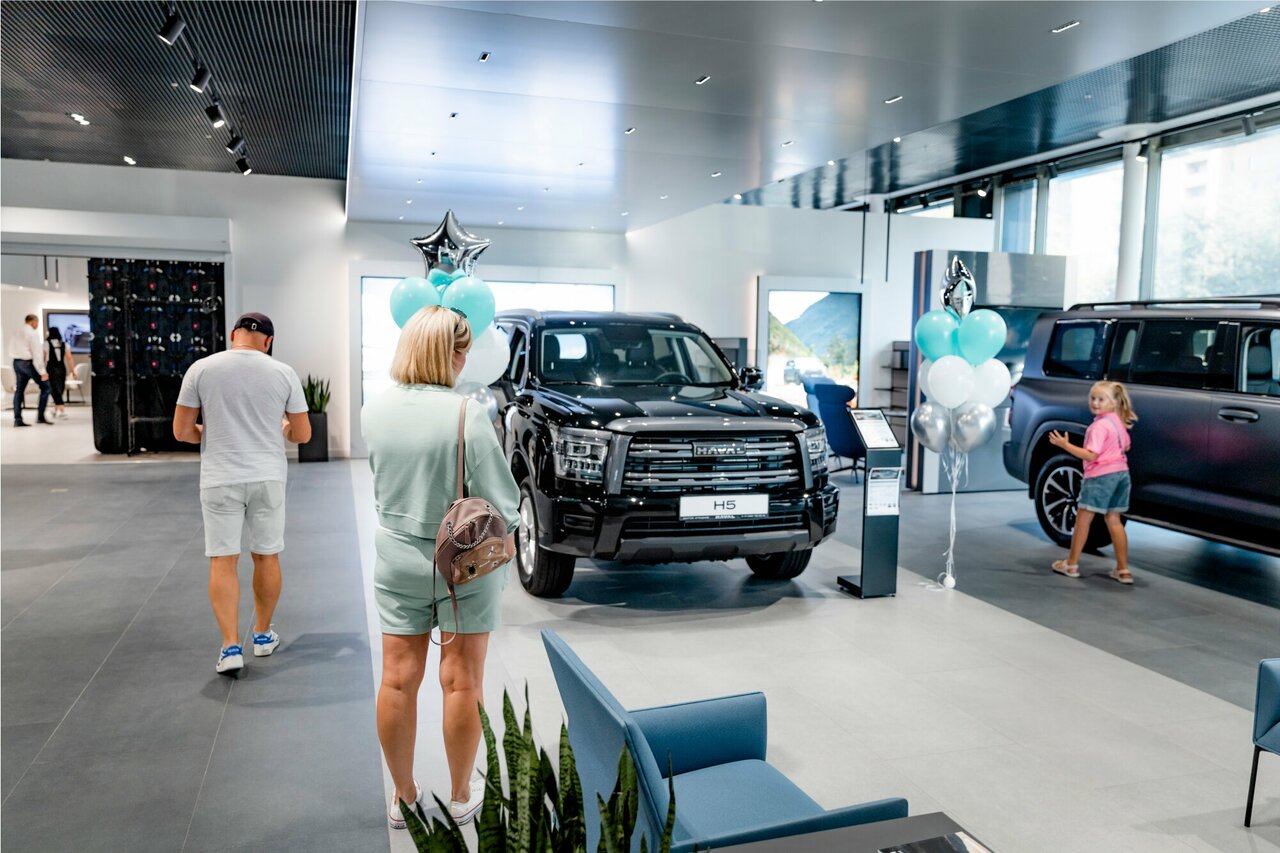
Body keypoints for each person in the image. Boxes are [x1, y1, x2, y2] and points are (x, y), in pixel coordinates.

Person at [361, 305, 518, 829]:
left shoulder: (373, 410)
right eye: (461, 351)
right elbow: (500, 500)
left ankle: (403, 797)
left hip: (396, 559)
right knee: (462, 683)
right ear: (447, 354)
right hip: (461, 565)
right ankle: (459, 794)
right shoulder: (466, 413)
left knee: (397, 681)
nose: (464, 360)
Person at [173, 312, 312, 674]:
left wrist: (211, 432)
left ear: (234, 334)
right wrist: (283, 427)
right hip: (267, 478)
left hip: (220, 477)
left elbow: (182, 431)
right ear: (268, 341)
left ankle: (230, 647)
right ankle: (263, 636)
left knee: (223, 560)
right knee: (266, 556)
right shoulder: (283, 372)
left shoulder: (201, 369)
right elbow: (302, 435)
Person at [1048, 380, 1138, 584]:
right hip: (1122, 474)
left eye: (1101, 399)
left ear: (1113, 402)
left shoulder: (1098, 427)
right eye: (1093, 398)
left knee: (1083, 520)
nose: (1095, 403)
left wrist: (1065, 445)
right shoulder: (1118, 422)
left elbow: (1091, 455)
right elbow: (1126, 447)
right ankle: (1123, 570)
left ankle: (1071, 564)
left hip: (1100, 476)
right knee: (1114, 519)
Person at [9, 314, 52, 426]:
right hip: (28, 363)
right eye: (37, 322)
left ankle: (17, 420)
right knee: (46, 387)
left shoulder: (16, 331)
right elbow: (37, 353)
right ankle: (40, 417)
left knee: (19, 391)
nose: (37, 325)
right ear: (33, 321)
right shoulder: (32, 333)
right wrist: (43, 372)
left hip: (16, 362)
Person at [45, 327, 75, 419]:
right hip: (61, 368)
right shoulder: (65, 344)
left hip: (51, 368)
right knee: (60, 388)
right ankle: (57, 409)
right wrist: (73, 371)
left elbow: (43, 358)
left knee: (54, 388)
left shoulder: (46, 344)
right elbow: (69, 358)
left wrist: (41, 370)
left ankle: (61, 410)